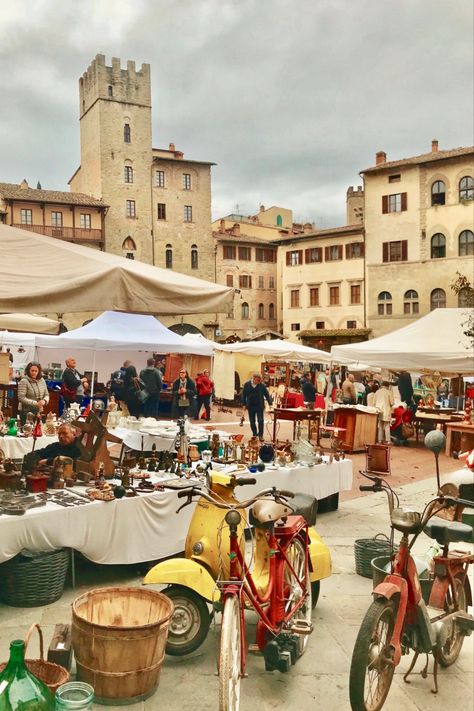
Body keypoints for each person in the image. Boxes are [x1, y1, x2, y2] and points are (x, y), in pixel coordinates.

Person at [241, 372, 273, 441]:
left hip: (259, 406)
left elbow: (267, 394)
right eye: (258, 380)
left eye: (260, 380)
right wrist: (243, 404)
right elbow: (243, 395)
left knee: (260, 420)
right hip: (250, 406)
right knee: (252, 421)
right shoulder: (247, 384)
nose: (259, 382)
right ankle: (255, 434)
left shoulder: (262, 385)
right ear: (254, 378)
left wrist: (270, 404)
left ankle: (260, 435)